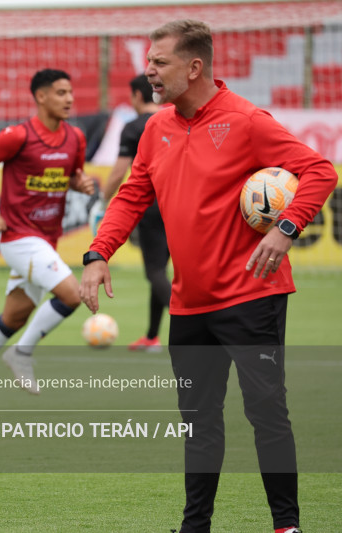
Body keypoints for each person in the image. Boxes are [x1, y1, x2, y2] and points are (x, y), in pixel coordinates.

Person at [79, 20, 336, 533]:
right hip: (190, 303)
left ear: (194, 67)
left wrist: (284, 229)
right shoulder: (156, 127)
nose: (148, 71)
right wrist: (97, 252)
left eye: (160, 62)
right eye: (149, 61)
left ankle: (287, 526)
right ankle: (195, 526)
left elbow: (320, 172)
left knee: (267, 415)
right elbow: (132, 195)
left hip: (251, 296)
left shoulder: (246, 121)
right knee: (198, 423)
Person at [0, 69, 94, 415]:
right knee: (72, 294)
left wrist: (81, 184)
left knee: (13, 318)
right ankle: (23, 353)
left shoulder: (75, 137)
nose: (69, 99)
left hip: (46, 239)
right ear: (41, 97)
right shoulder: (18, 135)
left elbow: (68, 177)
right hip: (17, 237)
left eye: (70, 92)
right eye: (60, 93)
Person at [99, 74, 170, 352]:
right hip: (178, 204)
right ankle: (152, 336)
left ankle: (198, 324)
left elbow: (119, 171)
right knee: (165, 272)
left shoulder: (133, 126)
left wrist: (102, 200)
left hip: (150, 207)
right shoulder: (172, 120)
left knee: (154, 272)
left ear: (138, 96)